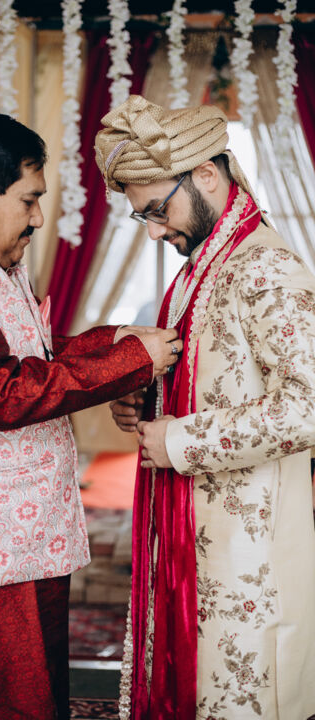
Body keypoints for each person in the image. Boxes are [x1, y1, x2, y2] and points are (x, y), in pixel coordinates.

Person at [0, 110, 183, 720]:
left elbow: (31, 357)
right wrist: (129, 360)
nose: (39, 218)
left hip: (18, 538)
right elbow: (0, 391)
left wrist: (118, 341)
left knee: (29, 699)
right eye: (29, 199)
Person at [95, 95, 315, 720]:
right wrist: (145, 400)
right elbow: (212, 376)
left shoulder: (265, 265)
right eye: (143, 217)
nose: (154, 231)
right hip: (190, 532)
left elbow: (308, 405)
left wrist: (179, 441)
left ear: (207, 175)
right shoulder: (203, 267)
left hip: (248, 554)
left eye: (157, 210)